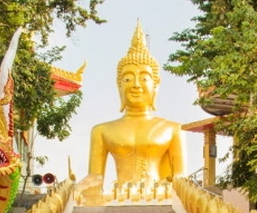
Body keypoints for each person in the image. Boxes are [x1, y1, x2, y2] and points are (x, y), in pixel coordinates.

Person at [79, 22, 185, 203]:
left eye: (144, 78)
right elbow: (95, 178)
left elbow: (180, 177)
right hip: (118, 198)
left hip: (160, 199)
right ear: (118, 85)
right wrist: (75, 190)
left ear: (156, 84)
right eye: (128, 79)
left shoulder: (172, 129)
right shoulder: (102, 131)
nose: (136, 85)